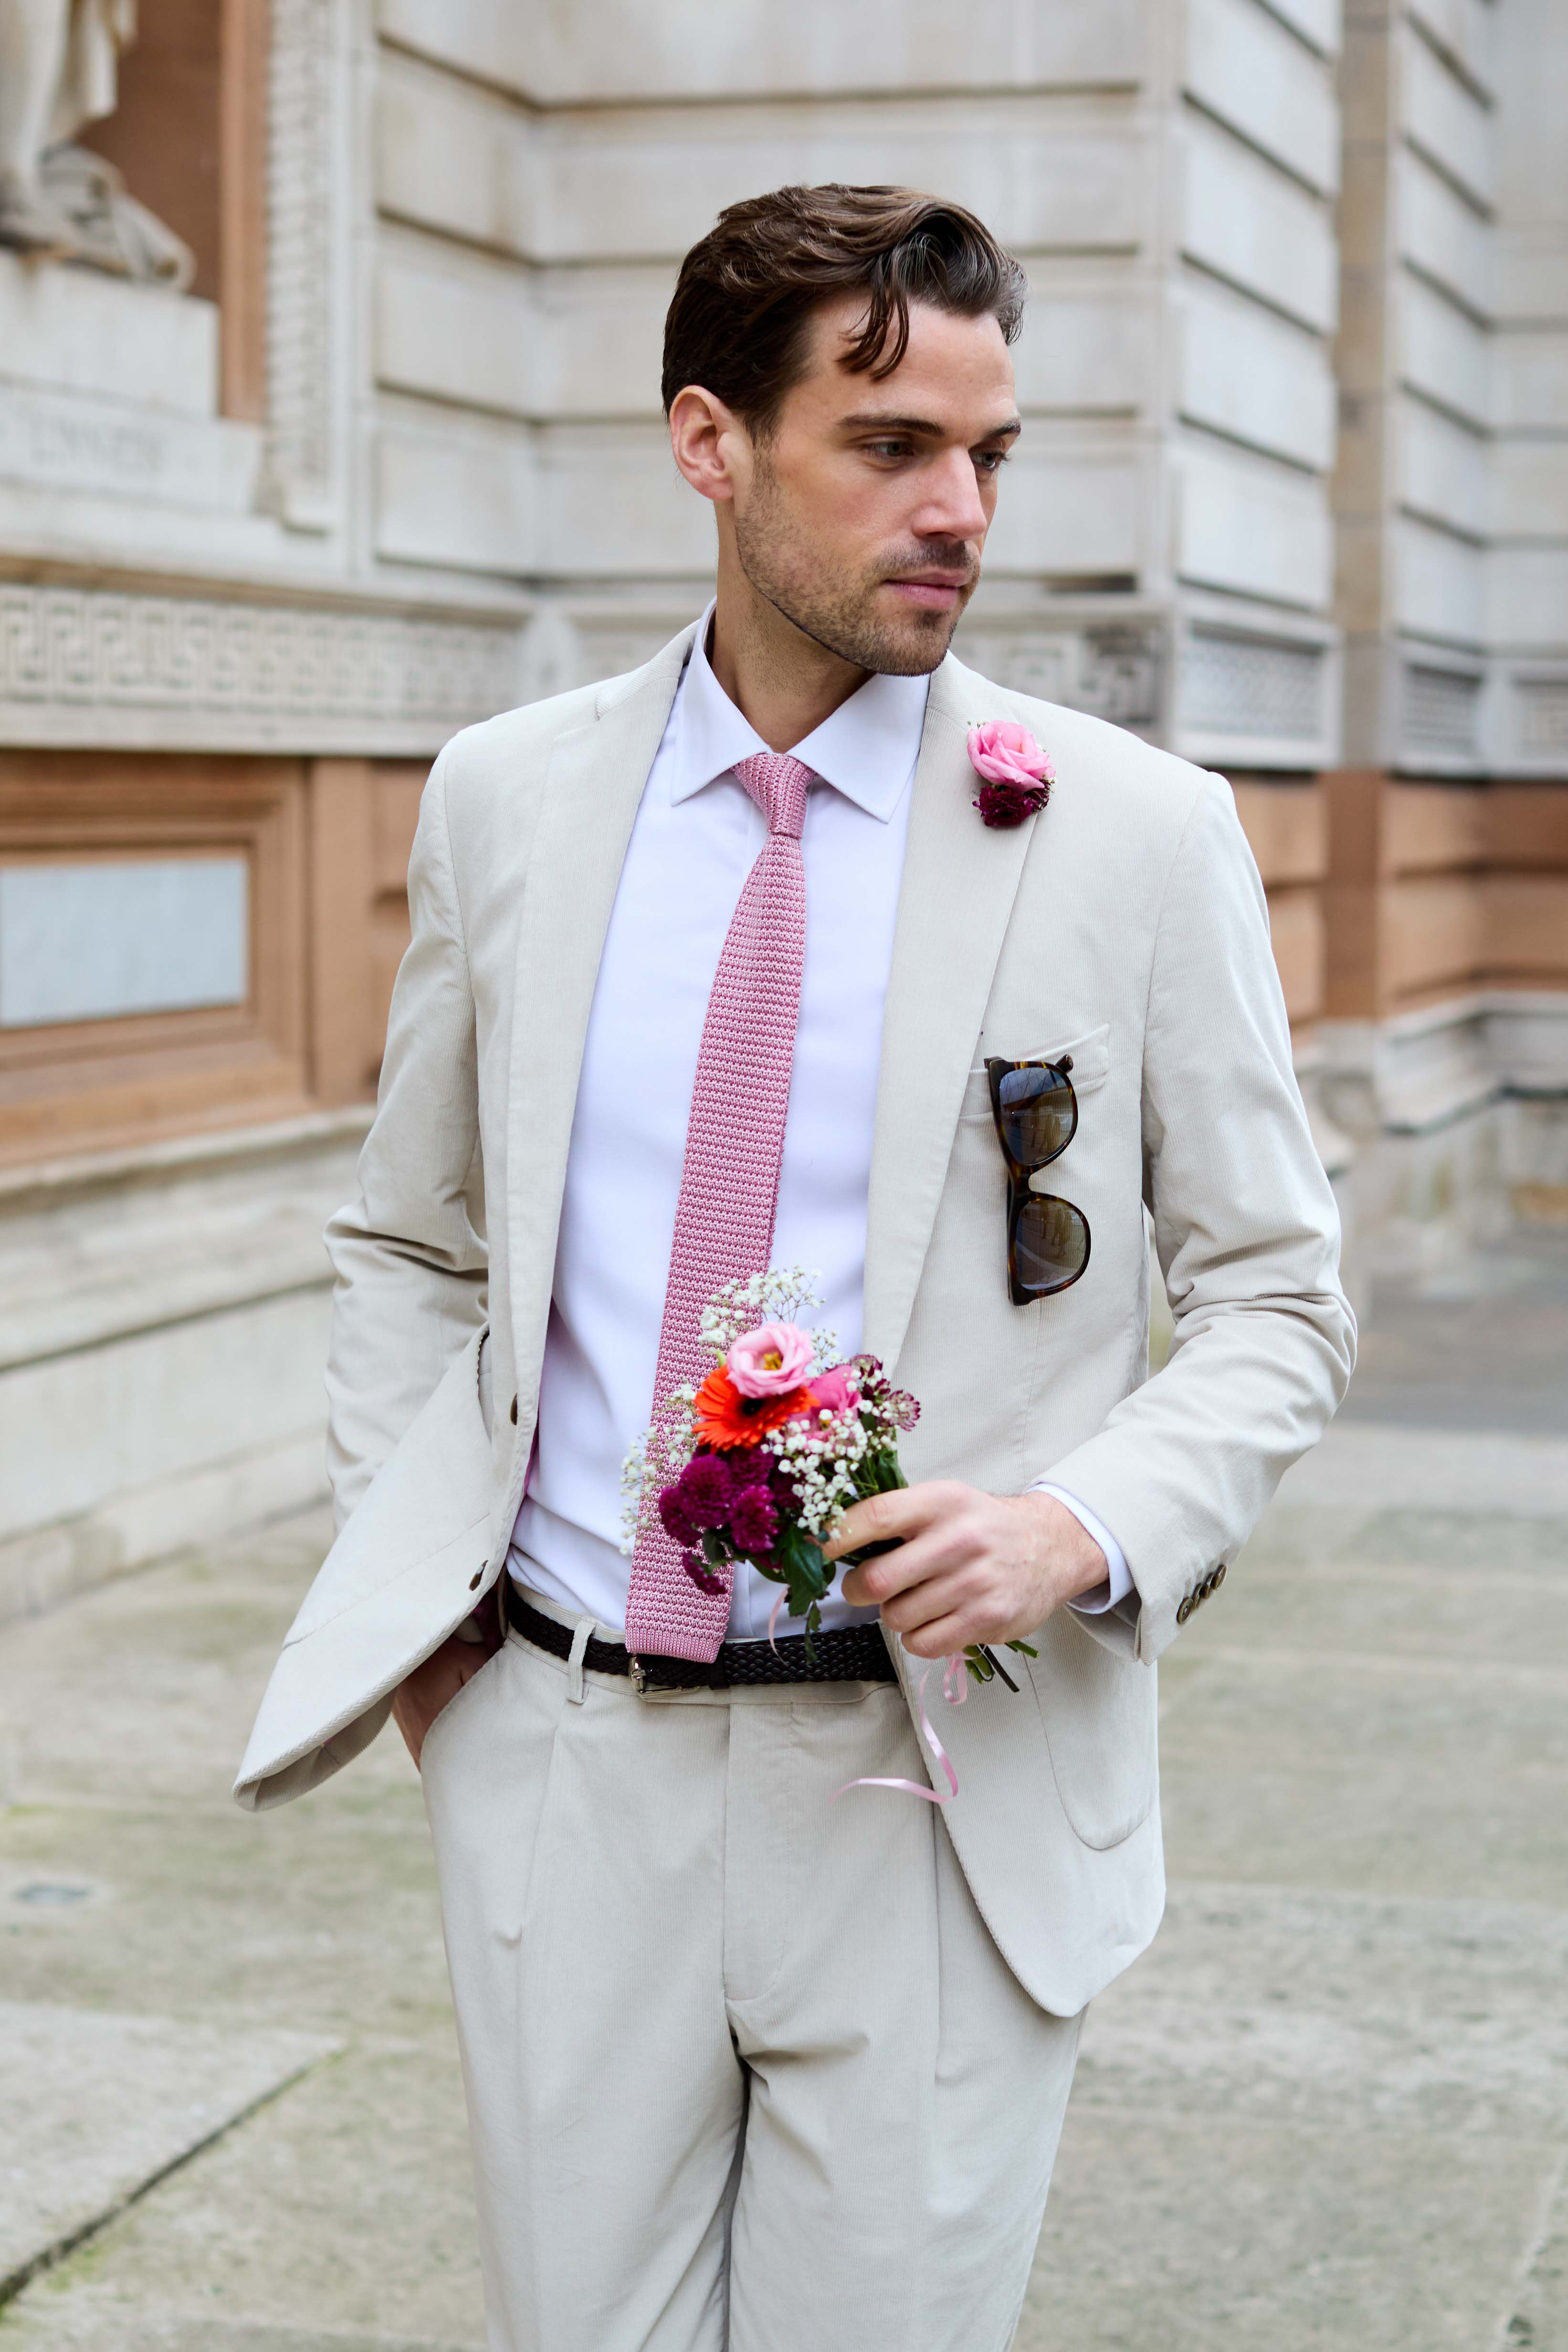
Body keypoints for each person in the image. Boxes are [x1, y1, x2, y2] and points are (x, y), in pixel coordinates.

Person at [237, 184, 1355, 2352]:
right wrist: (445, 1645)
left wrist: (1079, 1521)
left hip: (937, 1786)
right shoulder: (508, 800)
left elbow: (1279, 1296)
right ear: (711, 444)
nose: (960, 512)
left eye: (991, 455)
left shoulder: (1136, 830)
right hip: (570, 1758)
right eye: (891, 446)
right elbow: (409, 1234)